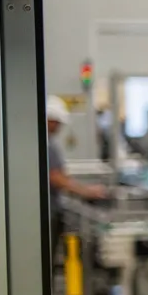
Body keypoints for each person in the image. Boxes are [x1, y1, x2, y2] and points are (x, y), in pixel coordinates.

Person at [46, 96, 105, 249]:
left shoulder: (49, 143)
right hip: (49, 212)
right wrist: (86, 191)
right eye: (57, 123)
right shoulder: (45, 145)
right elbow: (55, 177)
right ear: (49, 120)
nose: (59, 127)